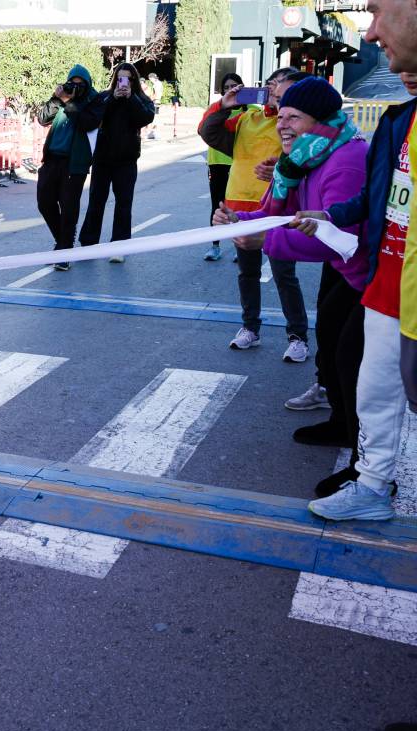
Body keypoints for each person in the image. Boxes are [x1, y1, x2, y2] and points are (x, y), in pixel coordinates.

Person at [289, 72, 416, 521]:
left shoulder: (345, 153)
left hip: (379, 276)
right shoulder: (399, 120)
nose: (371, 32)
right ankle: (373, 484)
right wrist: (328, 213)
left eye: (379, 11)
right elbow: (376, 199)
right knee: (371, 386)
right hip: (388, 280)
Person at [217, 78, 369, 451]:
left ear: (320, 122)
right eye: (280, 115)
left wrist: (264, 239)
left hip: (372, 275)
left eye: (293, 117)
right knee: (332, 341)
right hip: (351, 273)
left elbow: (337, 238)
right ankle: (340, 422)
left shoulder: (346, 161)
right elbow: (275, 214)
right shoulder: (300, 159)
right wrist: (238, 219)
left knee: (350, 358)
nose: (282, 124)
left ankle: (360, 451)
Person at [201, 67, 305, 353]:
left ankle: (298, 336)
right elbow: (208, 131)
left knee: (284, 275)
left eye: (280, 87)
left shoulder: (297, 124)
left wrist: (282, 171)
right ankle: (250, 327)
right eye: (270, 85)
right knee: (246, 273)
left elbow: (306, 164)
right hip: (241, 208)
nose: (273, 91)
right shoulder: (247, 117)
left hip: (278, 209)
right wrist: (225, 105)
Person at [78, 62, 156, 263]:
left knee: (123, 204)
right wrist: (112, 99)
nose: (124, 83)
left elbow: (146, 117)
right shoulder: (104, 96)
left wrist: (130, 99)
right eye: (121, 78)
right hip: (103, 159)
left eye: (128, 79)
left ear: (134, 80)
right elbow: (90, 118)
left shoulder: (141, 99)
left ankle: (119, 246)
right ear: (115, 79)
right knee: (96, 202)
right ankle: (88, 245)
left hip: (127, 160)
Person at [35, 64, 104, 270]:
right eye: (72, 84)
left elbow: (88, 123)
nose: (75, 88)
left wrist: (71, 103)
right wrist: (57, 99)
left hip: (75, 162)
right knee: (44, 202)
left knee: (69, 207)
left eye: (80, 85)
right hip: (52, 159)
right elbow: (42, 119)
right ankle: (63, 245)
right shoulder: (61, 97)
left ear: (88, 84)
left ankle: (64, 250)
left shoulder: (95, 99)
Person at [199, 73, 247, 262]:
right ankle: (215, 246)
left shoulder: (251, 111)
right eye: (226, 87)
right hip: (217, 163)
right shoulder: (216, 109)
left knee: (240, 207)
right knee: (217, 205)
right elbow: (204, 128)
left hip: (239, 165)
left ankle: (241, 245)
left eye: (234, 86)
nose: (230, 90)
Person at [145, 72, 164, 139]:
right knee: (155, 117)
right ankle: (153, 133)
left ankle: (155, 134)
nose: (150, 81)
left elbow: (156, 94)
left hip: (155, 101)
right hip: (157, 101)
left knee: (154, 118)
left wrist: (149, 99)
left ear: (152, 78)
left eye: (150, 79)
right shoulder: (159, 83)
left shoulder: (157, 84)